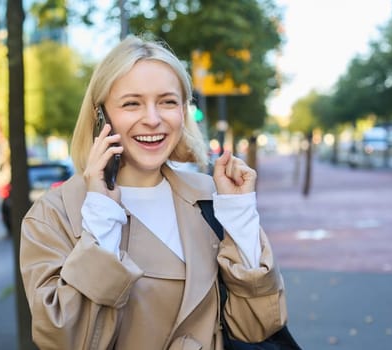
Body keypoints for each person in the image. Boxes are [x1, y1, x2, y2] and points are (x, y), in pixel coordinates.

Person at [19, 36, 287, 349]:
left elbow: (257, 325)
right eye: (132, 103)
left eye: (167, 102)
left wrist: (239, 212)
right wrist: (101, 218)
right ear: (101, 116)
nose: (153, 119)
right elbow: (68, 340)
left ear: (183, 112)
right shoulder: (54, 215)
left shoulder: (210, 197)